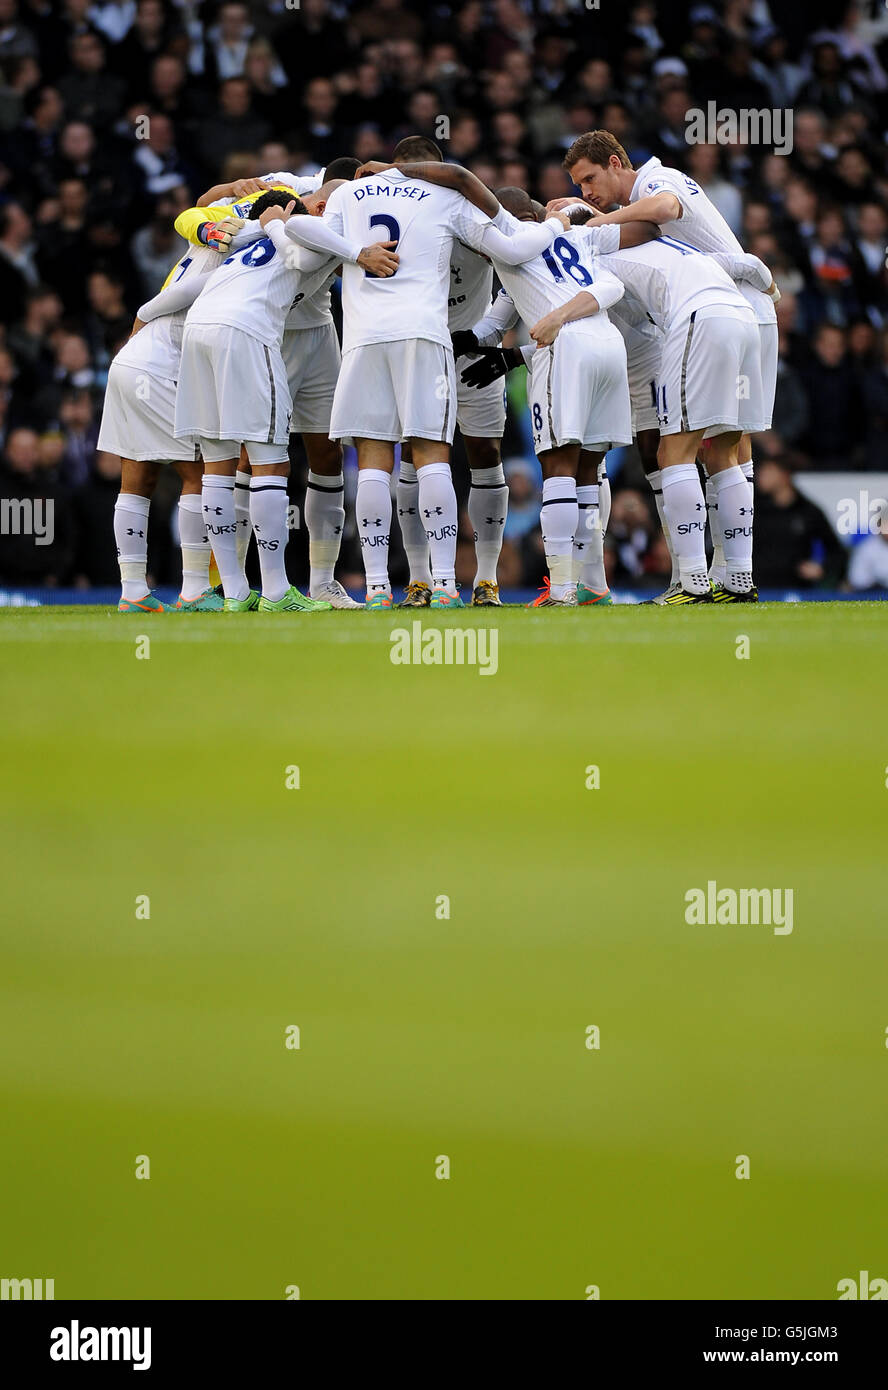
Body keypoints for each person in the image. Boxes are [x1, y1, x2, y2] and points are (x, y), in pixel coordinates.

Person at [322, 157, 571, 608]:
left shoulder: (395, 206)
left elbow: (510, 301)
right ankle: (424, 578)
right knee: (418, 460)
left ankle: (485, 579)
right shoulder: (450, 208)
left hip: (463, 354)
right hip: (427, 343)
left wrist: (498, 347)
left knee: (481, 454)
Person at [172, 188, 399, 612]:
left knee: (218, 464)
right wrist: (355, 251)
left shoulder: (250, 241)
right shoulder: (297, 227)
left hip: (200, 329)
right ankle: (277, 592)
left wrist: (144, 316)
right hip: (246, 332)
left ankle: (236, 593)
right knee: (271, 462)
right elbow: (298, 245)